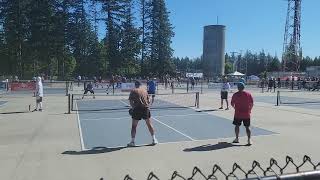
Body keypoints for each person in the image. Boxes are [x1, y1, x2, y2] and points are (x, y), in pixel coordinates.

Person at [127, 81, 158, 147]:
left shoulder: (133, 91)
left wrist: (133, 108)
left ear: (135, 85)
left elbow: (131, 101)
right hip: (145, 109)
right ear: (140, 85)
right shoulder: (145, 91)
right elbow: (149, 100)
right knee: (149, 124)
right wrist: (147, 106)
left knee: (134, 126)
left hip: (137, 109)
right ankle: (154, 139)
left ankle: (132, 142)